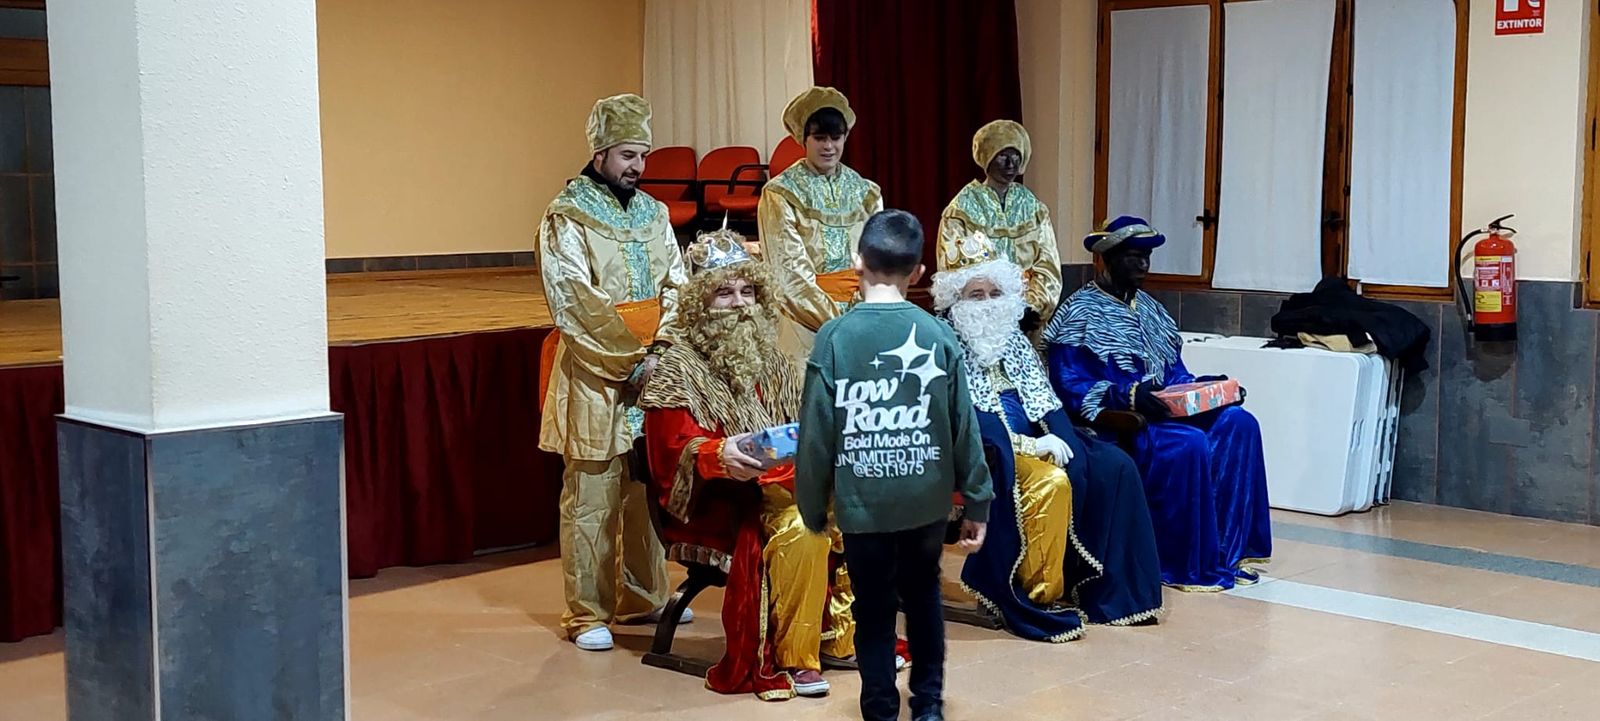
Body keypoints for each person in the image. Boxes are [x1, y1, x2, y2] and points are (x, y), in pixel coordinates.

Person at [639, 228, 856, 701]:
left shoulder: (774, 361)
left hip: (781, 484)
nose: (740, 304)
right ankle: (798, 658)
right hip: (719, 502)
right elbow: (669, 452)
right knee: (805, 525)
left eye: (748, 291)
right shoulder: (676, 368)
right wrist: (717, 455)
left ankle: (838, 632)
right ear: (699, 303)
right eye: (724, 292)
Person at [796, 210, 993, 721]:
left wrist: (811, 505)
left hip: (863, 505)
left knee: (873, 606)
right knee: (925, 595)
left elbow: (817, 436)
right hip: (925, 501)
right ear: (919, 272)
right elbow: (963, 426)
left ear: (857, 262)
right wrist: (978, 500)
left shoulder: (834, 339)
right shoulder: (938, 335)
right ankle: (927, 705)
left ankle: (880, 708)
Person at [932, 231, 1164, 640]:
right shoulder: (943, 342)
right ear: (955, 302)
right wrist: (1029, 446)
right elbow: (958, 422)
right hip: (988, 449)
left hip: (1033, 431)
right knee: (1052, 481)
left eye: (993, 293)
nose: (986, 304)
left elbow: (1044, 399)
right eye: (975, 295)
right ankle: (1040, 595)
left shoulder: (1015, 339)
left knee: (1116, 466)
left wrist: (1054, 438)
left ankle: (1105, 592)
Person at [1042, 216, 1272, 591]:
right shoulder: (1078, 312)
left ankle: (1225, 553)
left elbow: (1174, 376)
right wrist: (1125, 395)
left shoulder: (1151, 309)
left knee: (1239, 423)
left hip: (1162, 413)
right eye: (1133, 256)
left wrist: (1209, 390)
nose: (1144, 264)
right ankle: (1181, 562)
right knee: (1189, 443)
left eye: (1146, 256)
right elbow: (1068, 384)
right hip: (1117, 425)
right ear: (1107, 258)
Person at [535, 93, 688, 651]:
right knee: (592, 493)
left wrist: (663, 349)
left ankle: (644, 596)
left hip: (653, 365)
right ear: (599, 152)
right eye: (627, 154)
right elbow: (574, 298)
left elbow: (677, 283)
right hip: (596, 373)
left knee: (644, 488)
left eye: (643, 155)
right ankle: (586, 612)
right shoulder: (566, 214)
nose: (637, 167)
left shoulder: (653, 212)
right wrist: (630, 359)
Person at [759, 86, 885, 354]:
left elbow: (877, 259)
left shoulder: (867, 192)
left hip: (863, 316)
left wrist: (867, 315)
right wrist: (839, 324)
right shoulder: (781, 192)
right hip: (804, 321)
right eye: (819, 137)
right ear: (803, 139)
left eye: (836, 137)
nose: (829, 146)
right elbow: (789, 274)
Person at [937, 120, 1063, 331]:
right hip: (980, 322)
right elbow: (953, 269)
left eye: (1015, 155)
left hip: (1028, 322)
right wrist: (990, 308)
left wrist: (1032, 308)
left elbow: (1048, 265)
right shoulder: (961, 209)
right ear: (987, 157)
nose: (1010, 163)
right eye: (1002, 155)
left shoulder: (1033, 208)